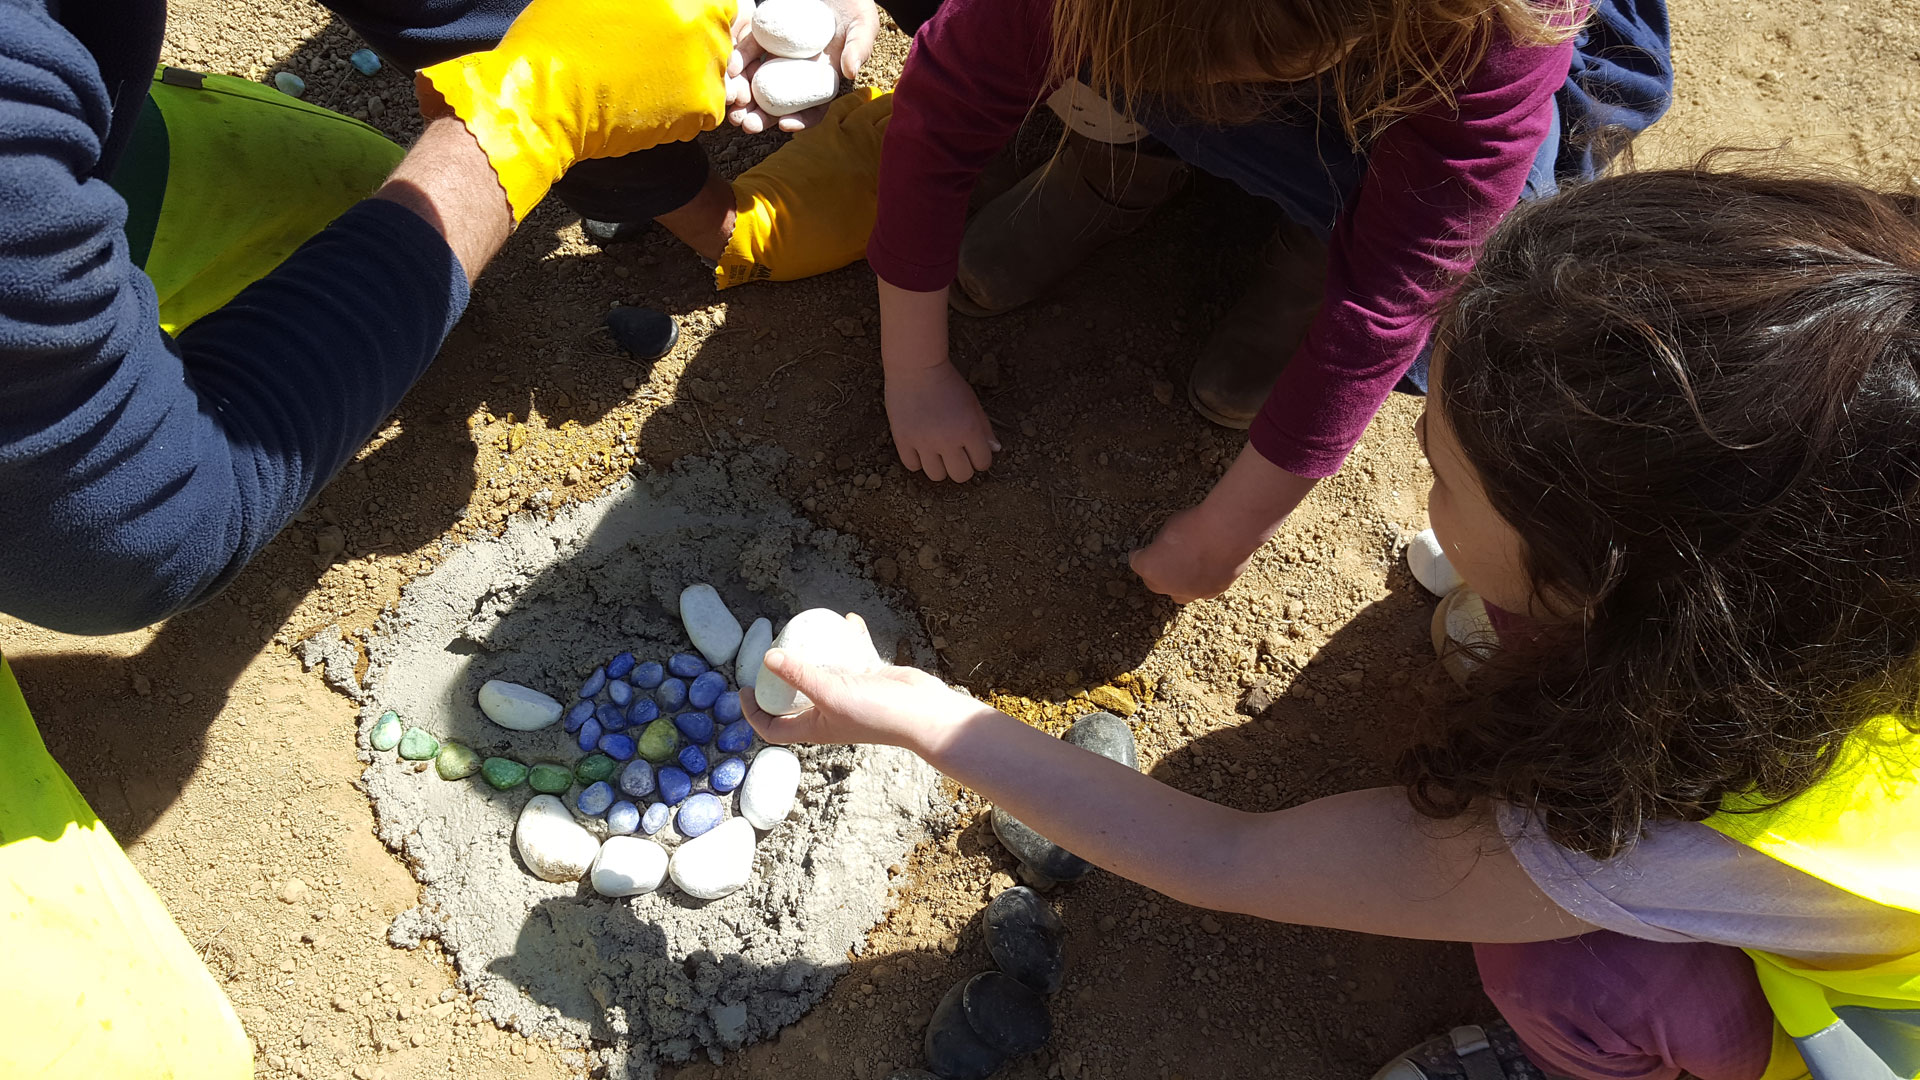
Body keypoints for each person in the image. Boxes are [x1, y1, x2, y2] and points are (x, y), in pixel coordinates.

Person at [748, 165, 1920, 1080]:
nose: (1422, 493)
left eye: (1447, 477)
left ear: (1619, 603)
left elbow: (1225, 857)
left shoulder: (1653, 833)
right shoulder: (1860, 487)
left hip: (1874, 1025)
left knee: (1566, 977)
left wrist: (916, 712)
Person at [865, 0, 1672, 606]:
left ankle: (1325, 231)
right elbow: (944, 104)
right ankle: (1120, 147)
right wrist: (916, 369)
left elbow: (1395, 298)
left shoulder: (1488, 32)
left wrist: (1229, 531)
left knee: (1483, 260)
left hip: (1426, 69)